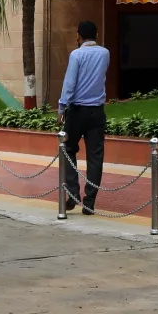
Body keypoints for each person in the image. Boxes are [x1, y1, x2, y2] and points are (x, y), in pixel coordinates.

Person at [57, 19, 111, 214]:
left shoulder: (76, 55)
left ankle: (72, 193)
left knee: (68, 149)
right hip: (97, 111)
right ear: (96, 35)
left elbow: (70, 83)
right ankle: (89, 201)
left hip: (77, 111)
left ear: (78, 36)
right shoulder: (105, 54)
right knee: (95, 156)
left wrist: (62, 108)